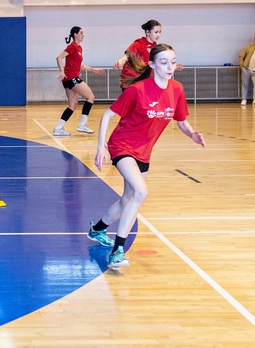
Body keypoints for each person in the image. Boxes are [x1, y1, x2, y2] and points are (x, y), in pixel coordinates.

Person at [88, 44, 205, 269]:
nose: (169, 66)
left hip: (144, 151)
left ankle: (98, 229)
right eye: (163, 62)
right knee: (141, 192)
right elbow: (107, 115)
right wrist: (101, 146)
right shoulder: (138, 90)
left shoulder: (177, 89)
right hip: (122, 145)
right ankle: (117, 252)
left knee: (127, 199)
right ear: (152, 64)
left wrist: (192, 134)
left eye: (172, 61)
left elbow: (181, 120)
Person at [52, 26, 105, 136]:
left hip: (69, 79)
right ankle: (82, 125)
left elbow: (79, 65)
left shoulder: (79, 48)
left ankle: (58, 128)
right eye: (81, 33)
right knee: (91, 97)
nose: (83, 35)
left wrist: (93, 70)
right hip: (71, 78)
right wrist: (62, 71)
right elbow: (58, 57)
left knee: (73, 105)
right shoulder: (72, 47)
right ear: (75, 34)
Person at [114, 19, 183, 91]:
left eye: (160, 32)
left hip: (143, 81)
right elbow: (128, 55)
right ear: (147, 32)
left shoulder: (155, 47)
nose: (158, 35)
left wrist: (170, 67)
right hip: (132, 81)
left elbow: (156, 65)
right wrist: (121, 60)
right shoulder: (139, 43)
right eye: (156, 32)